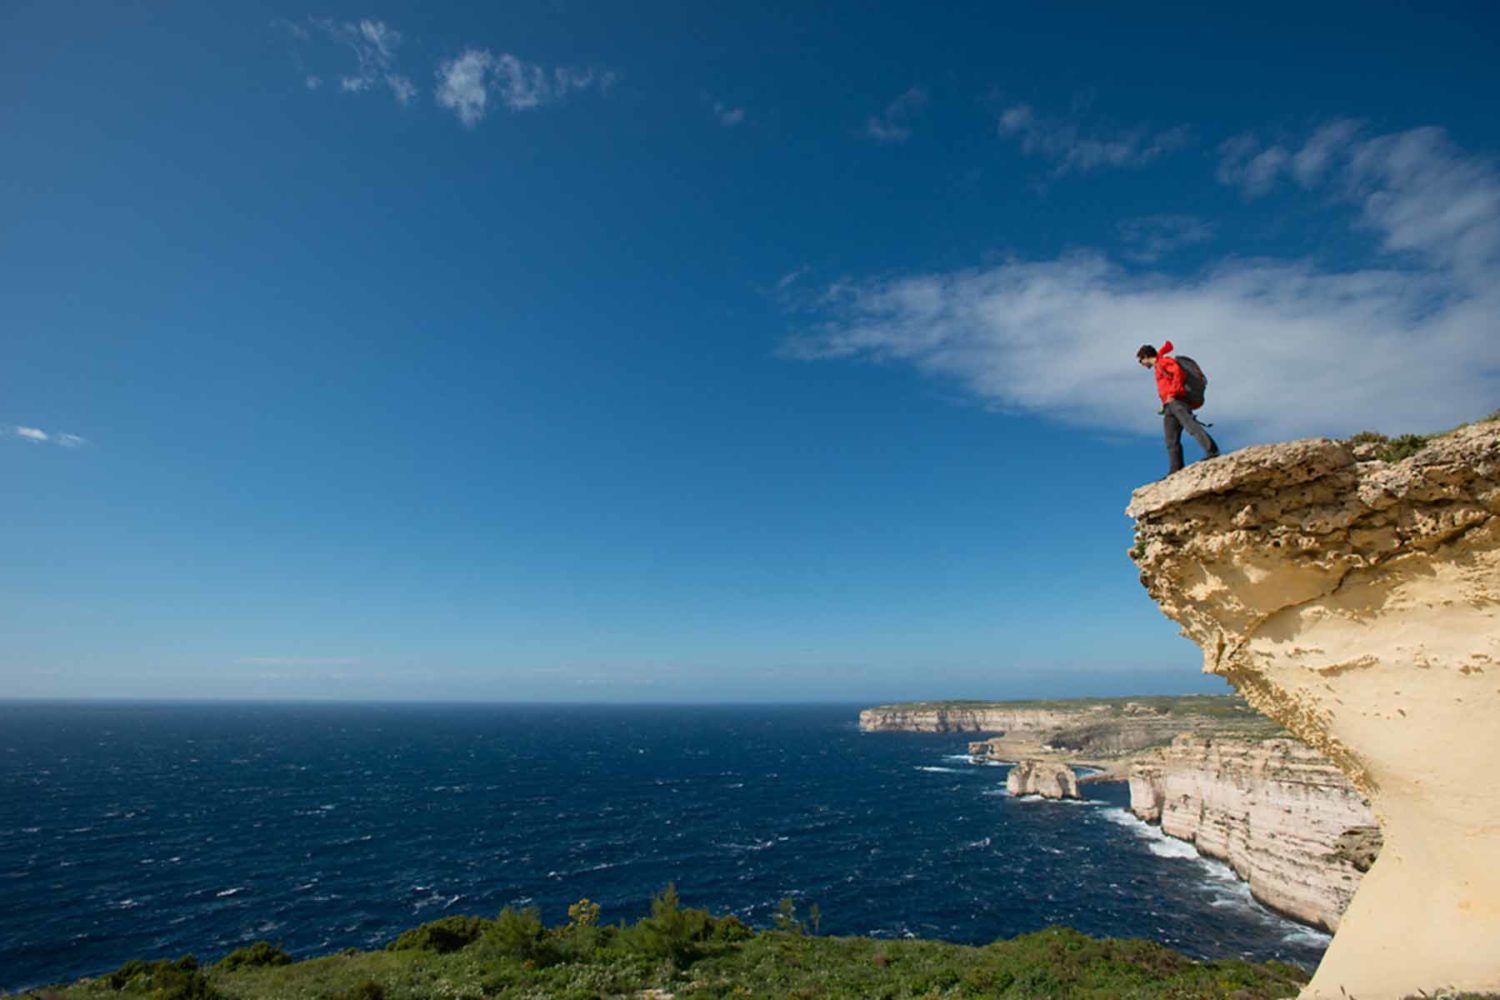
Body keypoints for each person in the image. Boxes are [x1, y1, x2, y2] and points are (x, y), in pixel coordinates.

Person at [1137, 341, 1219, 474]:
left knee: (1191, 426)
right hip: (1169, 406)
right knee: (1171, 439)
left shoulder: (1163, 362)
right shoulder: (1158, 366)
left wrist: (1173, 393)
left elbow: (1178, 373)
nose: (1141, 364)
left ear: (1145, 356)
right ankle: (1175, 469)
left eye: (1140, 361)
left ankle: (1212, 451)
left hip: (1177, 401)